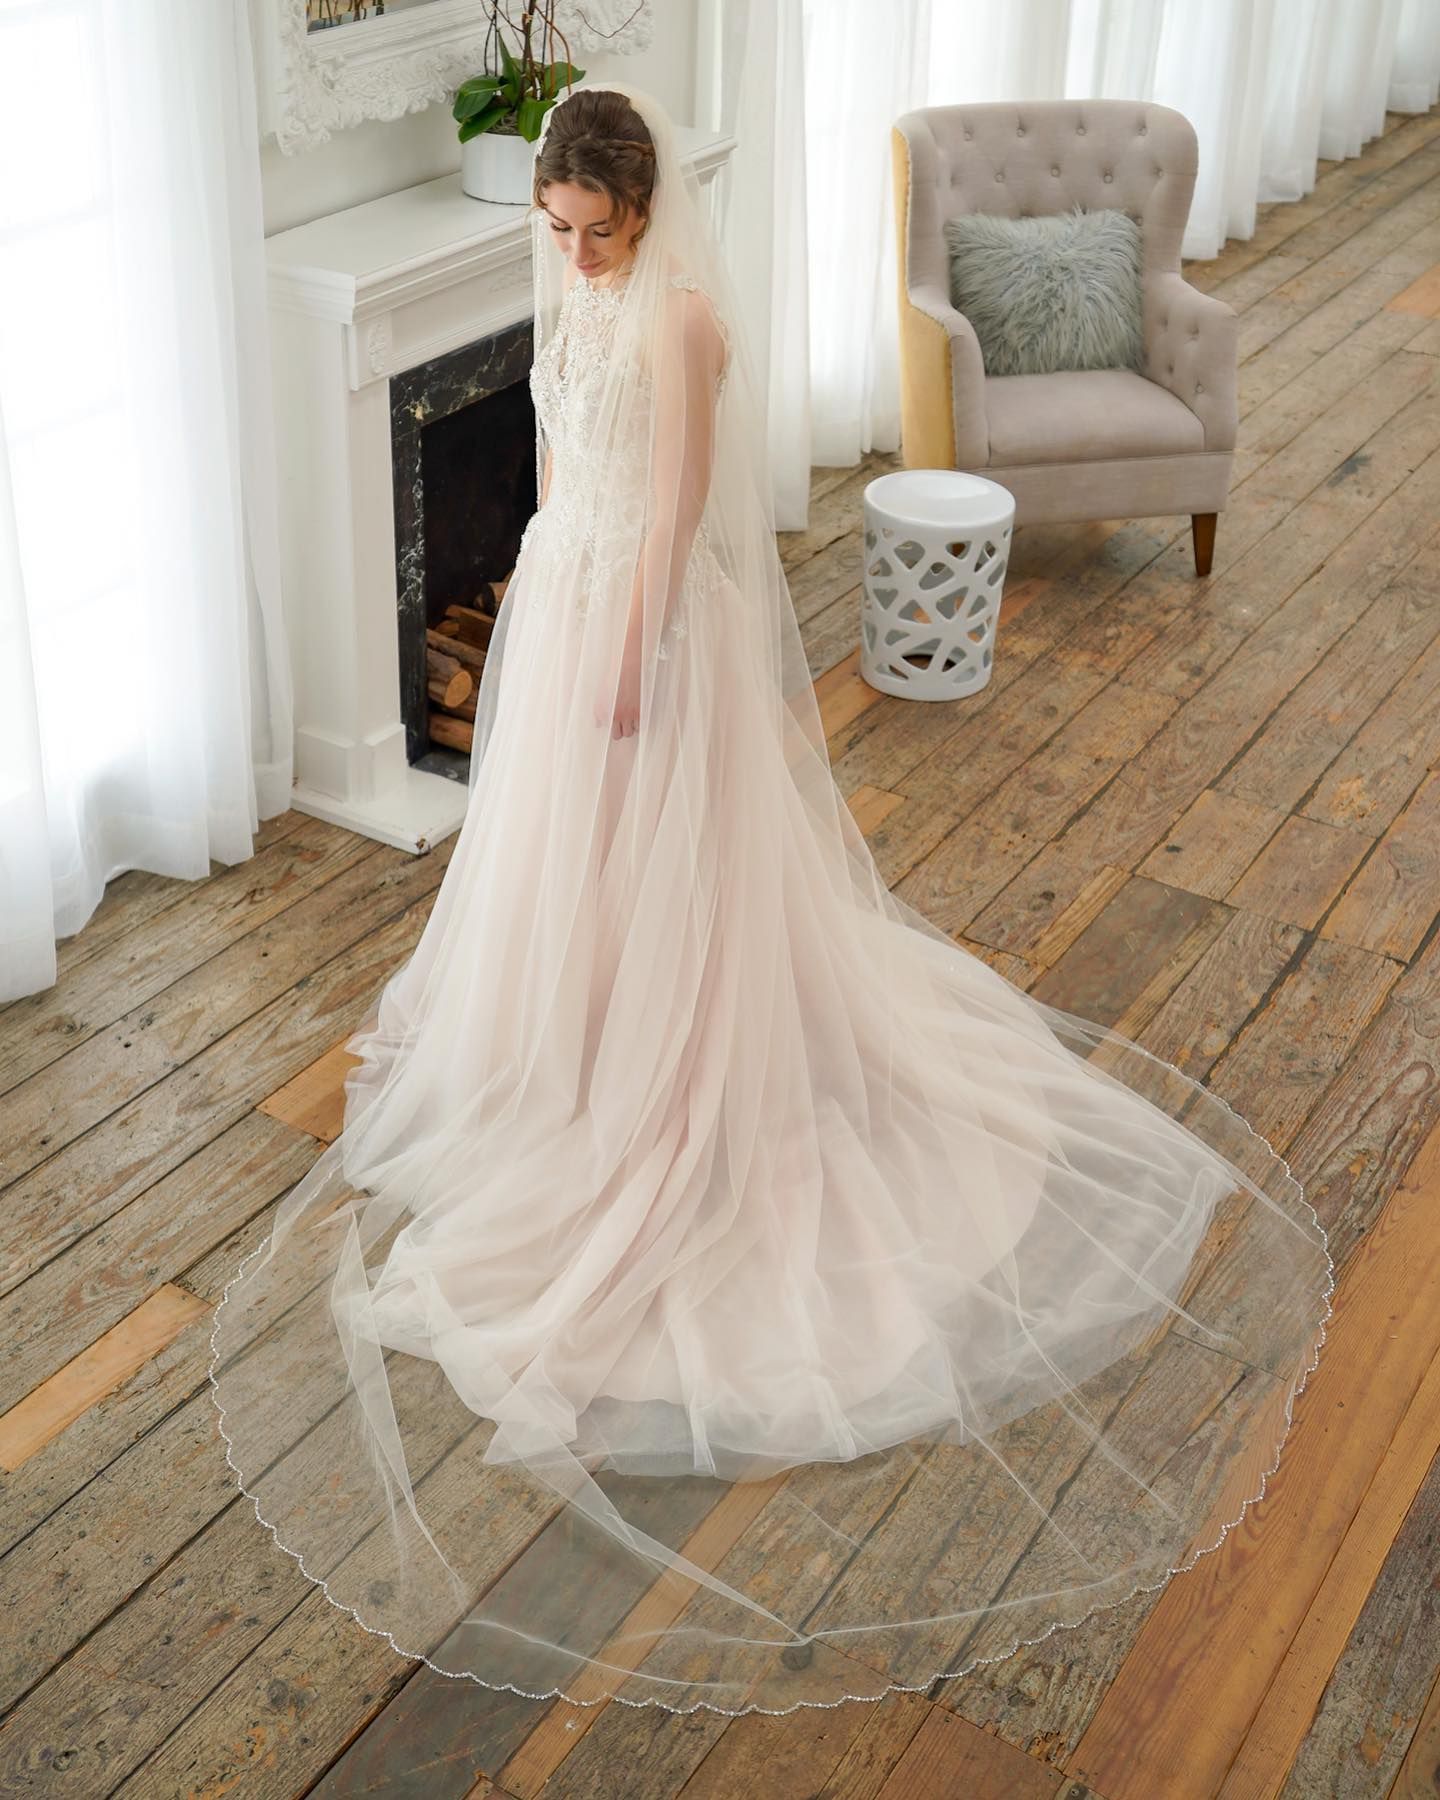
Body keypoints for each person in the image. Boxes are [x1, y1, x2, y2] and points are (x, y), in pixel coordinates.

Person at [209, 82, 1333, 1716]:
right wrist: (542, 603)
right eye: (559, 229)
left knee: (681, 888)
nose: (577, 255)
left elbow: (673, 504)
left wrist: (635, 656)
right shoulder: (570, 277)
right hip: (572, 591)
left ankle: (684, 1090)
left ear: (650, 217)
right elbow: (557, 455)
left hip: (654, 629)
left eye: (601, 231)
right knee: (567, 888)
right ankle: (578, 1069)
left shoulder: (684, 325)